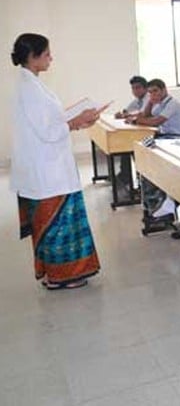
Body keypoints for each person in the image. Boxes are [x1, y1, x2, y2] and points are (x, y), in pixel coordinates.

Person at [11, 33, 101, 290]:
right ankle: (61, 275)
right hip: (47, 173)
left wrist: (77, 120)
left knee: (58, 223)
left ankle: (60, 273)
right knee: (57, 225)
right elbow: (47, 131)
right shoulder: (29, 89)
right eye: (47, 53)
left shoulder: (33, 84)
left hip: (51, 167)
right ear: (33, 56)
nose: (51, 58)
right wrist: (75, 120)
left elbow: (51, 121)